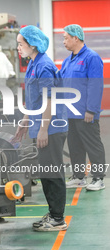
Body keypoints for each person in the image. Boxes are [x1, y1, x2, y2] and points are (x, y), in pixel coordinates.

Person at [14, 25, 68, 231]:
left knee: (52, 172)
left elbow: (49, 100)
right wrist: (26, 120)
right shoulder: (33, 63)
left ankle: (57, 219)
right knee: (46, 172)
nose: (18, 48)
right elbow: (34, 99)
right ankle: (54, 213)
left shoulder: (43, 66)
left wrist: (44, 129)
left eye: (21, 44)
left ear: (33, 44)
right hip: (42, 125)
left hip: (51, 127)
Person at [62, 24, 106, 191]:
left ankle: (98, 178)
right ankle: (79, 177)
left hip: (85, 112)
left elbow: (95, 85)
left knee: (92, 145)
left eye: (66, 38)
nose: (64, 42)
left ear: (76, 38)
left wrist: (91, 110)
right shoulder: (67, 61)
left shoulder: (91, 57)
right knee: (75, 146)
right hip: (70, 112)